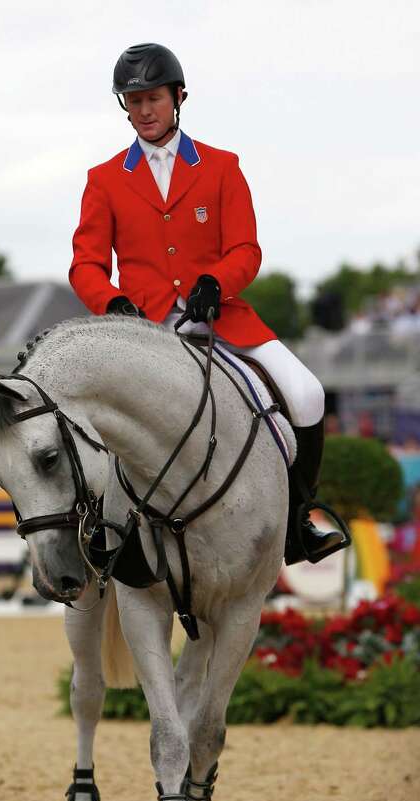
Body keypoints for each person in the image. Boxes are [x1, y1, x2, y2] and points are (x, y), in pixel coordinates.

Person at [69, 42, 343, 565]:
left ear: (178, 98)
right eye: (132, 100)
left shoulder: (221, 167)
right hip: (145, 328)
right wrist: (112, 302)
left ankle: (297, 522)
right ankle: (112, 535)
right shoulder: (104, 180)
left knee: (307, 394)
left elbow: (246, 248)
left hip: (222, 317)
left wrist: (216, 281)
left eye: (152, 98)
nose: (143, 110)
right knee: (104, 417)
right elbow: (85, 264)